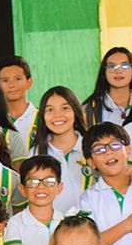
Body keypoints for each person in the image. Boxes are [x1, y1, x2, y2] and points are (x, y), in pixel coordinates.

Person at [29, 86, 94, 214]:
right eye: (50, 110)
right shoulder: (35, 153)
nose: (57, 115)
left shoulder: (92, 148)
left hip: (93, 227)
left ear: (76, 112)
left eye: (65, 108)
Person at [83, 48, 132, 127]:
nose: (118, 71)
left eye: (125, 65)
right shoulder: (88, 110)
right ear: (104, 72)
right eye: (112, 66)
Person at [0, 57, 38, 151]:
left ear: (29, 82)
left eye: (18, 79)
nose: (11, 85)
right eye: (5, 80)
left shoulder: (42, 116)